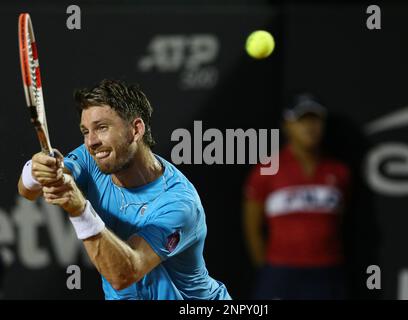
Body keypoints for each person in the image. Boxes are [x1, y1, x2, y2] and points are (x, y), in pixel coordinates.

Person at [17, 79, 231, 300]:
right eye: (85, 131)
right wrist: (37, 171)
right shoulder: (92, 158)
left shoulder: (178, 204)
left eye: (102, 128)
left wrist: (79, 210)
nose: (91, 142)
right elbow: (28, 191)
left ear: (136, 130)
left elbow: (125, 274)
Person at [243, 94, 351, 300]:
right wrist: (268, 268)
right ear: (287, 125)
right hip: (280, 273)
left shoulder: (339, 171)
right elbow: (252, 227)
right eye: (302, 120)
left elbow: (343, 221)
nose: (310, 126)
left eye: (315, 119)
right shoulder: (266, 170)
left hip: (327, 272)